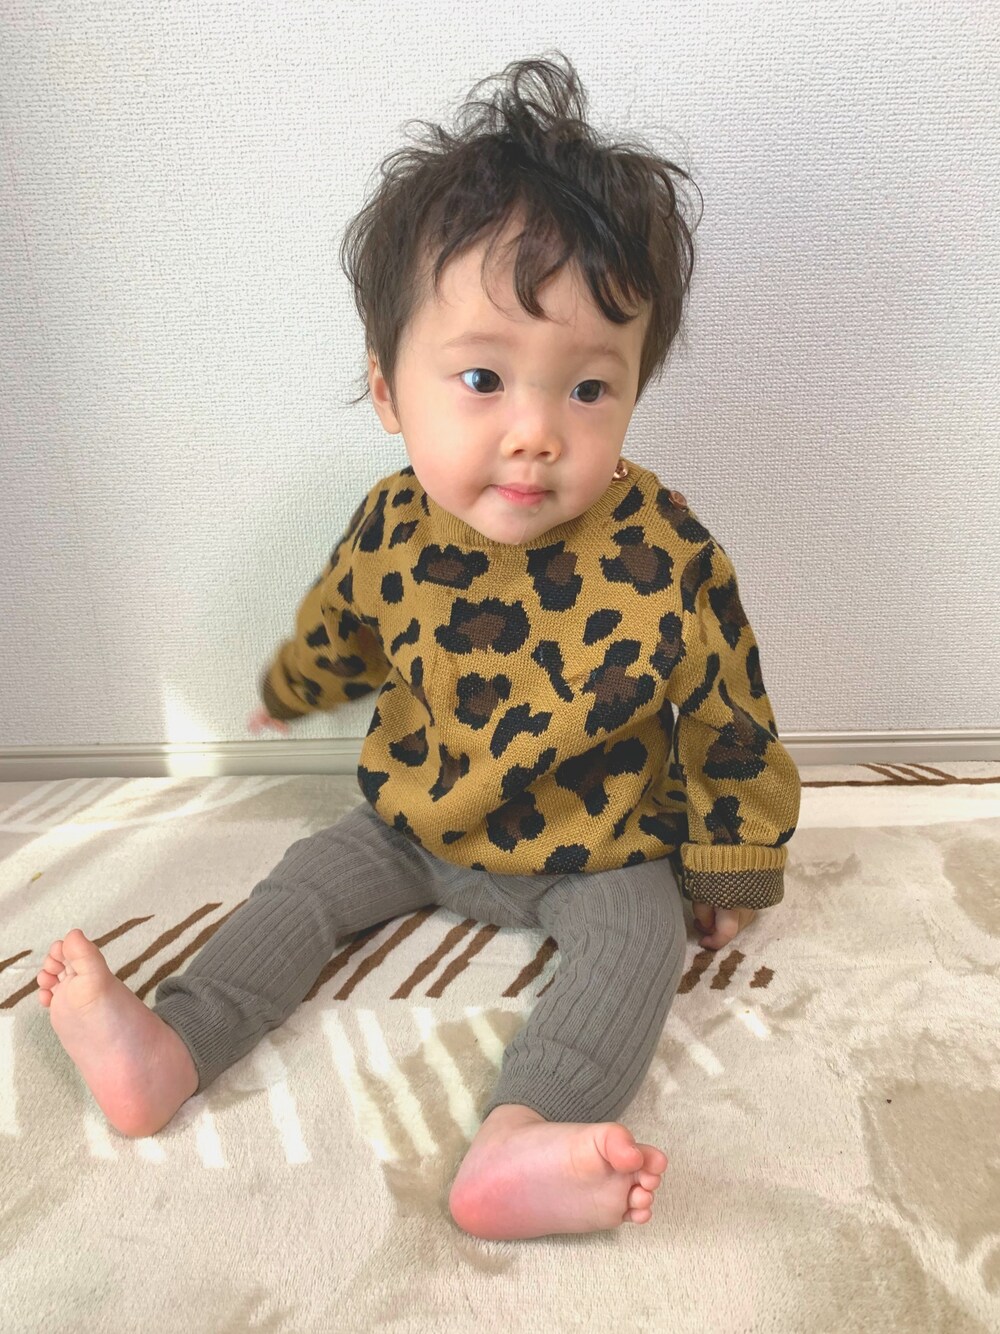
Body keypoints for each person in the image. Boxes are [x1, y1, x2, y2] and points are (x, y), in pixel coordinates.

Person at [37, 52, 801, 1241]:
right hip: (413, 818)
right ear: (389, 390)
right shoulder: (392, 524)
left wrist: (729, 868)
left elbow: (728, 717)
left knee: (638, 941)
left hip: (594, 845)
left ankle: (525, 1133)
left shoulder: (664, 552)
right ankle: (174, 1042)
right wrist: (292, 687)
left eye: (588, 389)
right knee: (302, 883)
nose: (536, 432)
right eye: (484, 377)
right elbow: (345, 622)